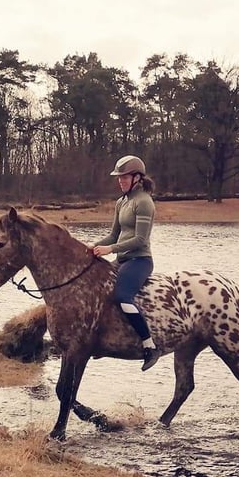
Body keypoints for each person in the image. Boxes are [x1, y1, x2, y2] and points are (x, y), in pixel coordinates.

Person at [90, 155, 161, 371]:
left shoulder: (144, 202)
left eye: (124, 177)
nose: (120, 181)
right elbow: (113, 235)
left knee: (122, 297)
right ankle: (102, 339)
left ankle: (149, 345)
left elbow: (140, 240)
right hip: (122, 259)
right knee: (97, 289)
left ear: (137, 178)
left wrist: (110, 250)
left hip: (139, 260)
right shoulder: (122, 202)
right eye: (118, 177)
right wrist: (90, 247)